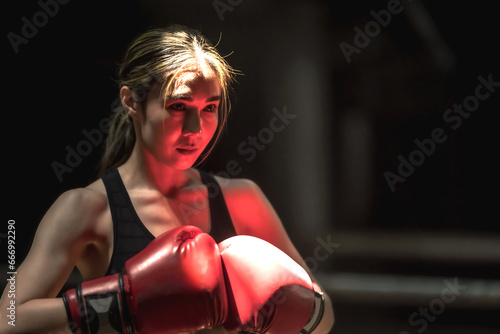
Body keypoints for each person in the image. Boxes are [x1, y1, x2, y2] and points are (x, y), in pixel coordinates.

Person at [0, 25, 334, 334]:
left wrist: (287, 312)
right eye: (178, 106)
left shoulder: (242, 200)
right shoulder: (86, 208)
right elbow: (8, 320)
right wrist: (124, 303)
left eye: (209, 108)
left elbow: (323, 315)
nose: (195, 129)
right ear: (131, 101)